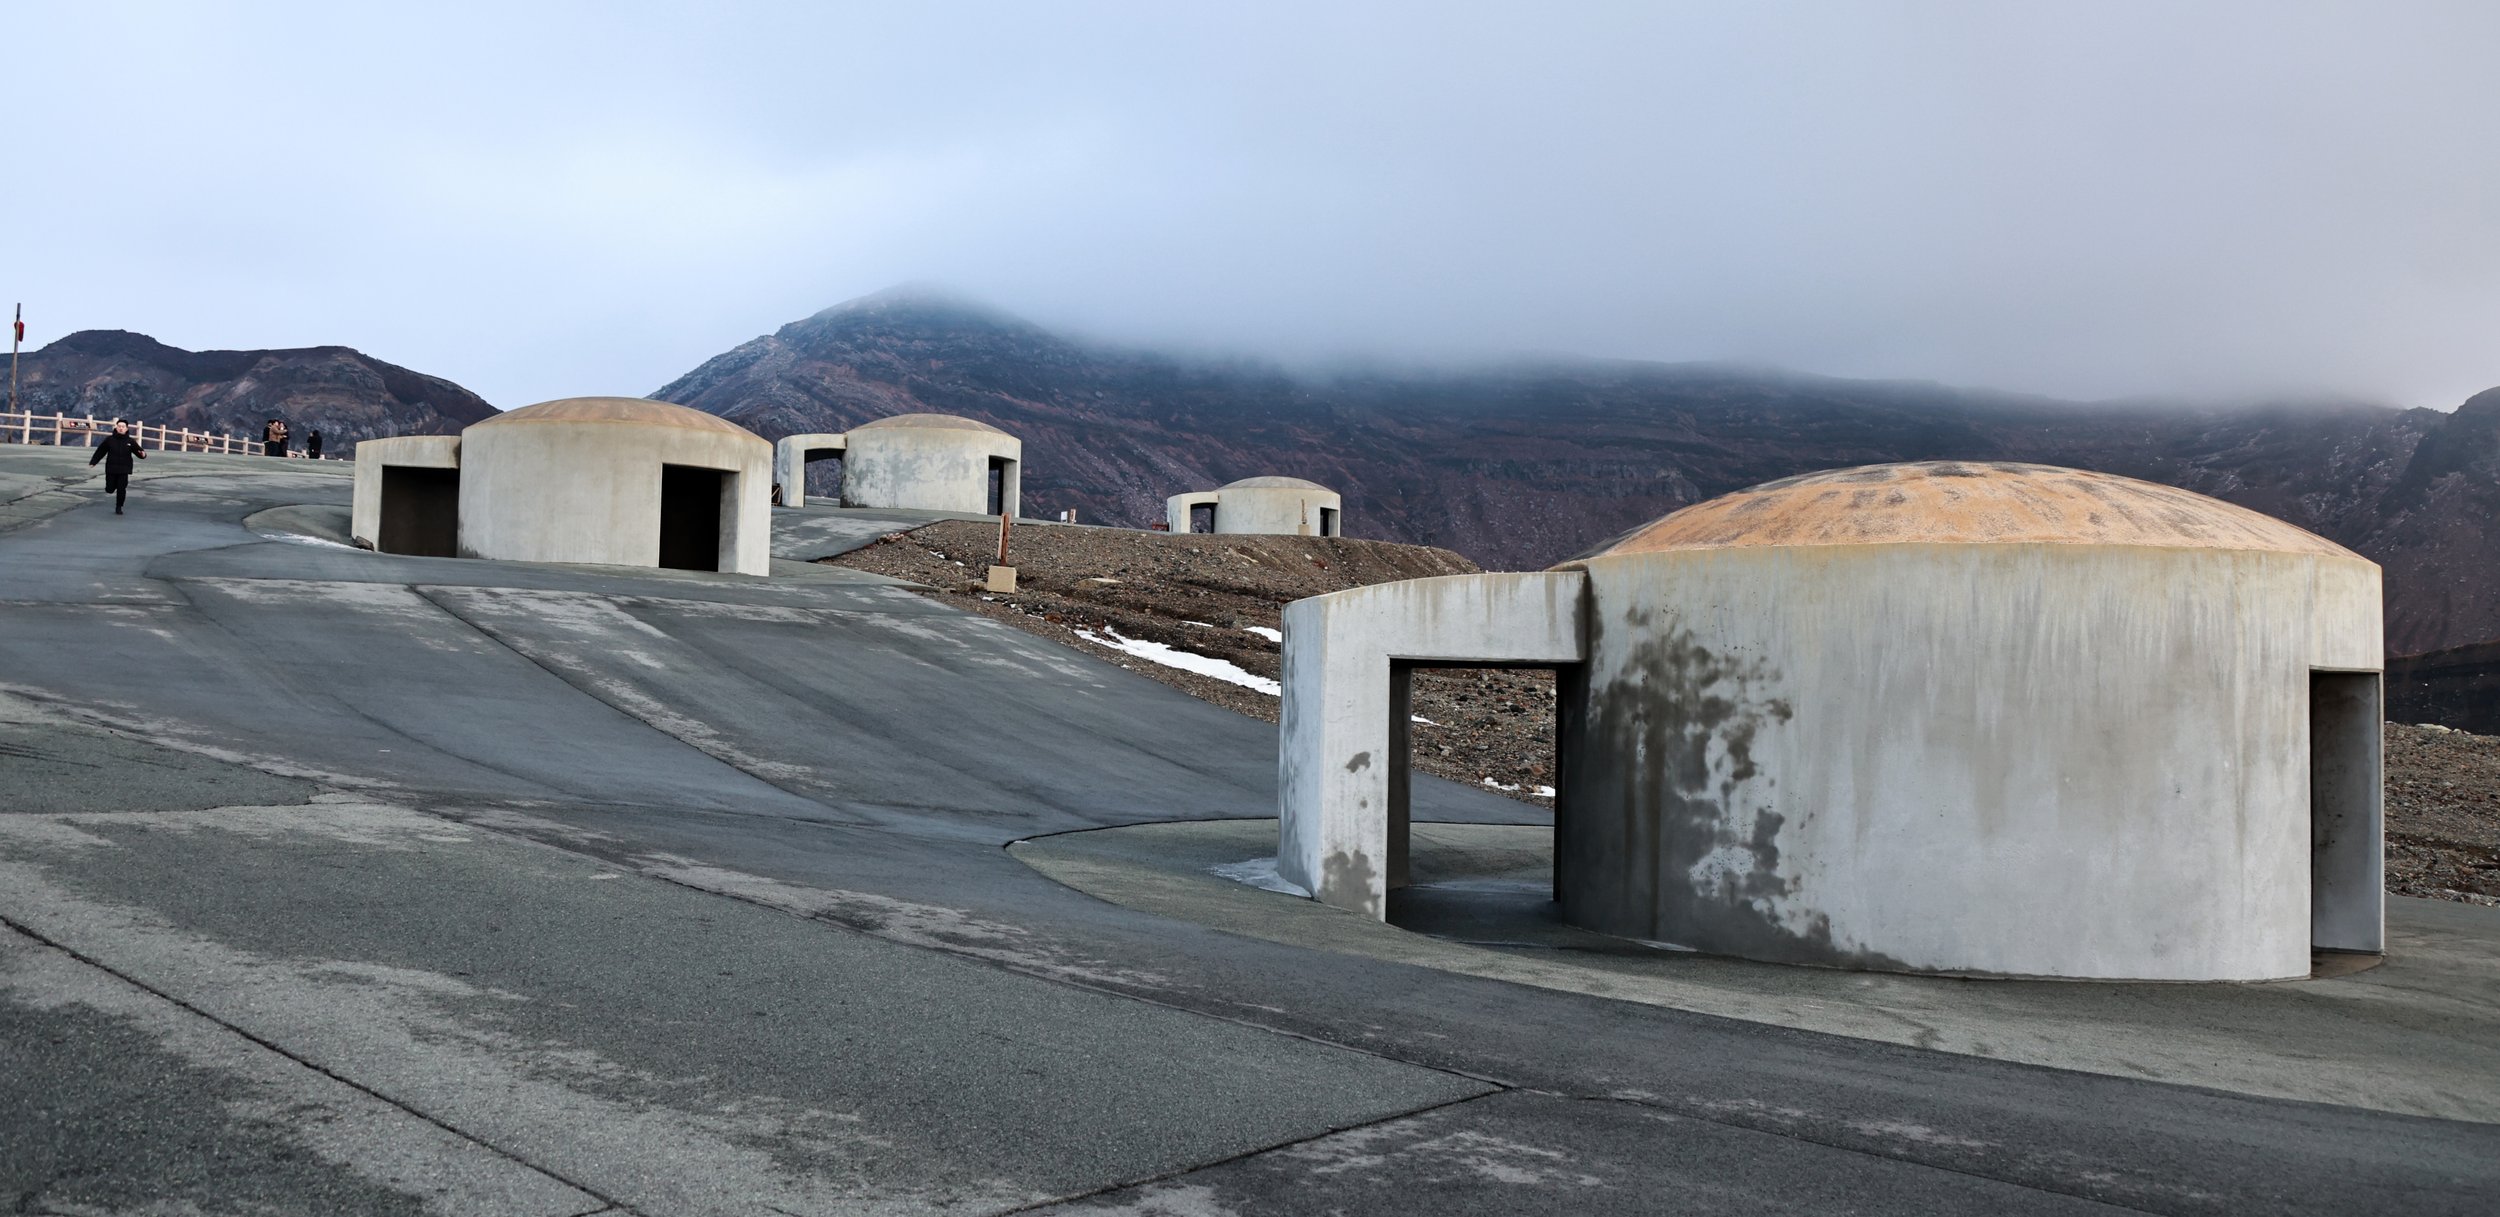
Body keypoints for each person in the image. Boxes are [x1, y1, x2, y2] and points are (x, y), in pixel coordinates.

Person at [88, 421, 147, 514]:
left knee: (121, 489)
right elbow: (100, 451)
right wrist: (94, 462)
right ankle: (111, 487)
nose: (121, 428)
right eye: (119, 426)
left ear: (126, 428)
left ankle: (119, 507)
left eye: (123, 426)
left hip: (124, 469)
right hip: (111, 468)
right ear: (116, 428)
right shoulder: (109, 440)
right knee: (109, 489)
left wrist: (143, 455)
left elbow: (139, 452)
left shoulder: (130, 441)